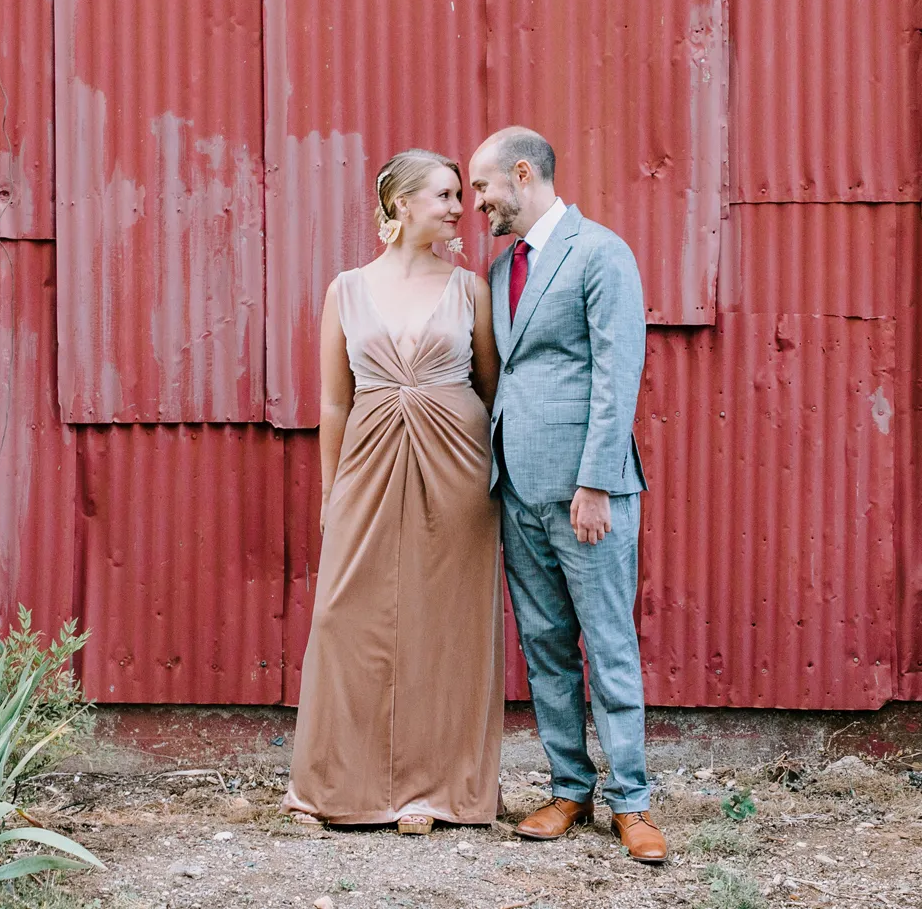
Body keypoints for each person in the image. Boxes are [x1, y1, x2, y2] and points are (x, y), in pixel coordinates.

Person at [282, 149, 505, 834]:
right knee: (343, 615)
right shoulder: (346, 289)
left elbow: (490, 386)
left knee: (447, 621)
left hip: (457, 462)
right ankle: (334, 784)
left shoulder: (470, 289)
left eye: (459, 195)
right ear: (400, 204)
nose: (459, 207)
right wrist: (332, 489)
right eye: (444, 195)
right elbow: (334, 400)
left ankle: (433, 792)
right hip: (369, 456)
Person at [468, 126, 666, 863]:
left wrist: (595, 482)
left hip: (588, 493)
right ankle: (568, 788)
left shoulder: (600, 253)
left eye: (483, 186)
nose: (477, 201)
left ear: (523, 174)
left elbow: (618, 373)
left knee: (607, 642)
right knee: (545, 645)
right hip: (517, 487)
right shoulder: (501, 269)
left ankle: (632, 801)